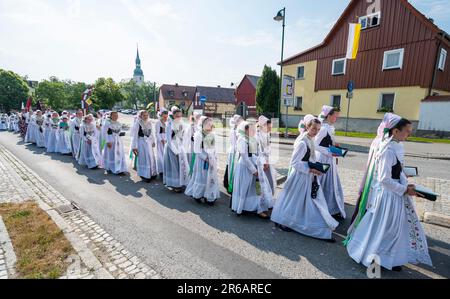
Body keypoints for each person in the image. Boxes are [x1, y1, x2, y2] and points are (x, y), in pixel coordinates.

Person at [346, 116, 432, 272]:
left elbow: (397, 172)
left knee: (395, 229)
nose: (409, 135)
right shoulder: (387, 149)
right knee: (384, 229)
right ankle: (372, 257)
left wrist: (407, 184)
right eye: (407, 131)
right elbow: (384, 179)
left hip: (395, 195)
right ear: (396, 131)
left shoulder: (396, 146)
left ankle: (389, 259)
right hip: (387, 197)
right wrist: (405, 189)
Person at [271, 115, 339, 242]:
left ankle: (302, 222)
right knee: (294, 200)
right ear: (307, 127)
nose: (316, 132)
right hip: (300, 177)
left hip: (308, 176)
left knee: (304, 201)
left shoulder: (310, 139)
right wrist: (310, 169)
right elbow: (294, 163)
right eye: (314, 129)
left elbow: (310, 158)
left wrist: (317, 167)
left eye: (318, 130)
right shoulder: (303, 142)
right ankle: (284, 221)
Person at [231, 121, 273, 219]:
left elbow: (255, 154)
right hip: (245, 168)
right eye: (252, 130)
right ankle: (241, 207)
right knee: (245, 187)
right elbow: (245, 157)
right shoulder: (242, 140)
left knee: (255, 188)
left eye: (254, 129)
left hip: (254, 166)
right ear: (246, 130)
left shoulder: (252, 140)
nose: (254, 131)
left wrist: (261, 162)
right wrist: (253, 170)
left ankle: (258, 207)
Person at [315, 105, 346, 220]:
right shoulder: (323, 128)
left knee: (331, 183)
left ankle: (331, 208)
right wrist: (329, 151)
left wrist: (334, 146)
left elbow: (327, 142)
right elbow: (316, 145)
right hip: (323, 159)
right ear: (329, 116)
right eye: (335, 116)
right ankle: (321, 207)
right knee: (323, 183)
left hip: (329, 158)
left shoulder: (329, 127)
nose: (336, 118)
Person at [185, 116, 220, 205]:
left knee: (211, 178)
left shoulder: (212, 134)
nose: (210, 126)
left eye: (210, 124)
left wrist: (214, 158)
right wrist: (206, 158)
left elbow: (214, 148)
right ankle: (199, 195)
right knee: (202, 177)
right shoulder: (198, 135)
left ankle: (210, 196)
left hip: (211, 159)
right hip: (202, 160)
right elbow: (197, 150)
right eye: (208, 124)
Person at [163, 107, 190, 193]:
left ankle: (181, 182)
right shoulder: (169, 124)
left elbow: (184, 135)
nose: (179, 117)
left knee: (181, 166)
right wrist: (175, 151)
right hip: (172, 147)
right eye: (177, 116)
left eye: (180, 115)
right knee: (174, 166)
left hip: (180, 146)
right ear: (173, 115)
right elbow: (169, 139)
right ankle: (175, 184)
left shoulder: (181, 123)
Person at [131, 110, 158, 182]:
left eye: (147, 115)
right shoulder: (138, 123)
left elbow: (151, 133)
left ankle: (152, 173)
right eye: (144, 115)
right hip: (141, 142)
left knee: (150, 157)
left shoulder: (149, 123)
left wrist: (153, 141)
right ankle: (144, 174)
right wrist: (134, 146)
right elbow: (135, 135)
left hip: (148, 142)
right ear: (140, 116)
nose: (146, 117)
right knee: (144, 158)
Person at [256, 115, 277, 195]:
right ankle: (262, 197)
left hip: (267, 160)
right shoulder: (258, 135)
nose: (270, 129)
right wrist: (264, 162)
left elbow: (268, 149)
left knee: (270, 179)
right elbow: (259, 151)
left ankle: (269, 197)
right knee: (262, 180)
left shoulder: (267, 134)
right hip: (261, 161)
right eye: (268, 127)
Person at [224, 115, 244, 195]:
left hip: (237, 152)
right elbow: (234, 143)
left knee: (232, 169)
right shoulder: (234, 130)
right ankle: (230, 186)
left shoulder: (238, 129)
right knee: (231, 169)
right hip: (234, 152)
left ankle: (230, 184)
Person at [155, 109, 169, 176]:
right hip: (161, 141)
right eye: (164, 117)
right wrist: (161, 140)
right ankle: (161, 170)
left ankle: (166, 169)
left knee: (165, 155)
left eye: (166, 117)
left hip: (166, 139)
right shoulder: (158, 123)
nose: (165, 118)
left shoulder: (167, 122)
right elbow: (157, 133)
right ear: (161, 116)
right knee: (160, 155)